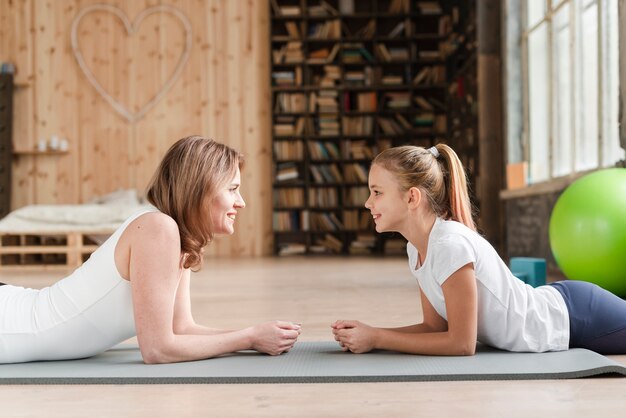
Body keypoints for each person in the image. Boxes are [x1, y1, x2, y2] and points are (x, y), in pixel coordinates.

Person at [0, 135, 301, 364]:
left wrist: (254, 337)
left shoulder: (180, 239)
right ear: (201, 187)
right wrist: (248, 337)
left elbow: (181, 329)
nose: (242, 202)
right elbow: (157, 349)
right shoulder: (159, 229)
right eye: (232, 189)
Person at [331, 144, 626, 355]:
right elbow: (435, 328)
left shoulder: (449, 246)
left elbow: (461, 344)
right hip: (565, 305)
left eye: (377, 192)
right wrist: (369, 332)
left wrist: (378, 338)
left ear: (412, 198)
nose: (368, 203)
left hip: (575, 317)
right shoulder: (417, 248)